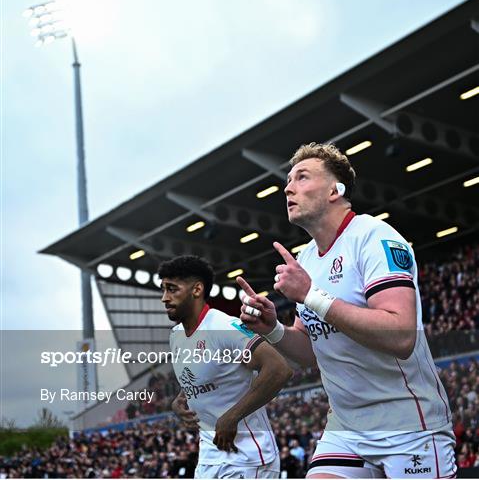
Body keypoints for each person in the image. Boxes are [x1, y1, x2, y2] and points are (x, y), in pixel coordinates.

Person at [237, 143, 457, 479]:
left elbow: (400, 335)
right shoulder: (306, 258)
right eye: (288, 180)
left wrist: (311, 294)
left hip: (408, 423)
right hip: (347, 426)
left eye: (302, 177)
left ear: (334, 191)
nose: (288, 187)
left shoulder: (374, 237)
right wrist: (272, 328)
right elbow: (312, 351)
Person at [158, 255, 292, 479]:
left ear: (197, 289)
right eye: (163, 289)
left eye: (172, 289)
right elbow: (205, 375)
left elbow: (278, 369)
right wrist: (179, 401)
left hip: (249, 458)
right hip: (210, 457)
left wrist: (232, 416)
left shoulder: (223, 326)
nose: (165, 298)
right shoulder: (176, 335)